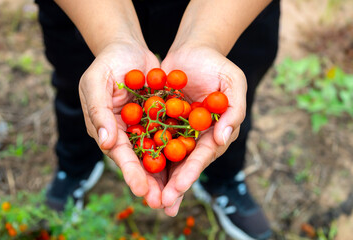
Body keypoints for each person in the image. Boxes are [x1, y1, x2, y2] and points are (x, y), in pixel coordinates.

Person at [35, 0, 280, 239]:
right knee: (84, 94)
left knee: (227, 118)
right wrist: (114, 40)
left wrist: (205, 41)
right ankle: (74, 167)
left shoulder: (169, 118)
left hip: (232, 12)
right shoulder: (161, 119)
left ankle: (224, 179)